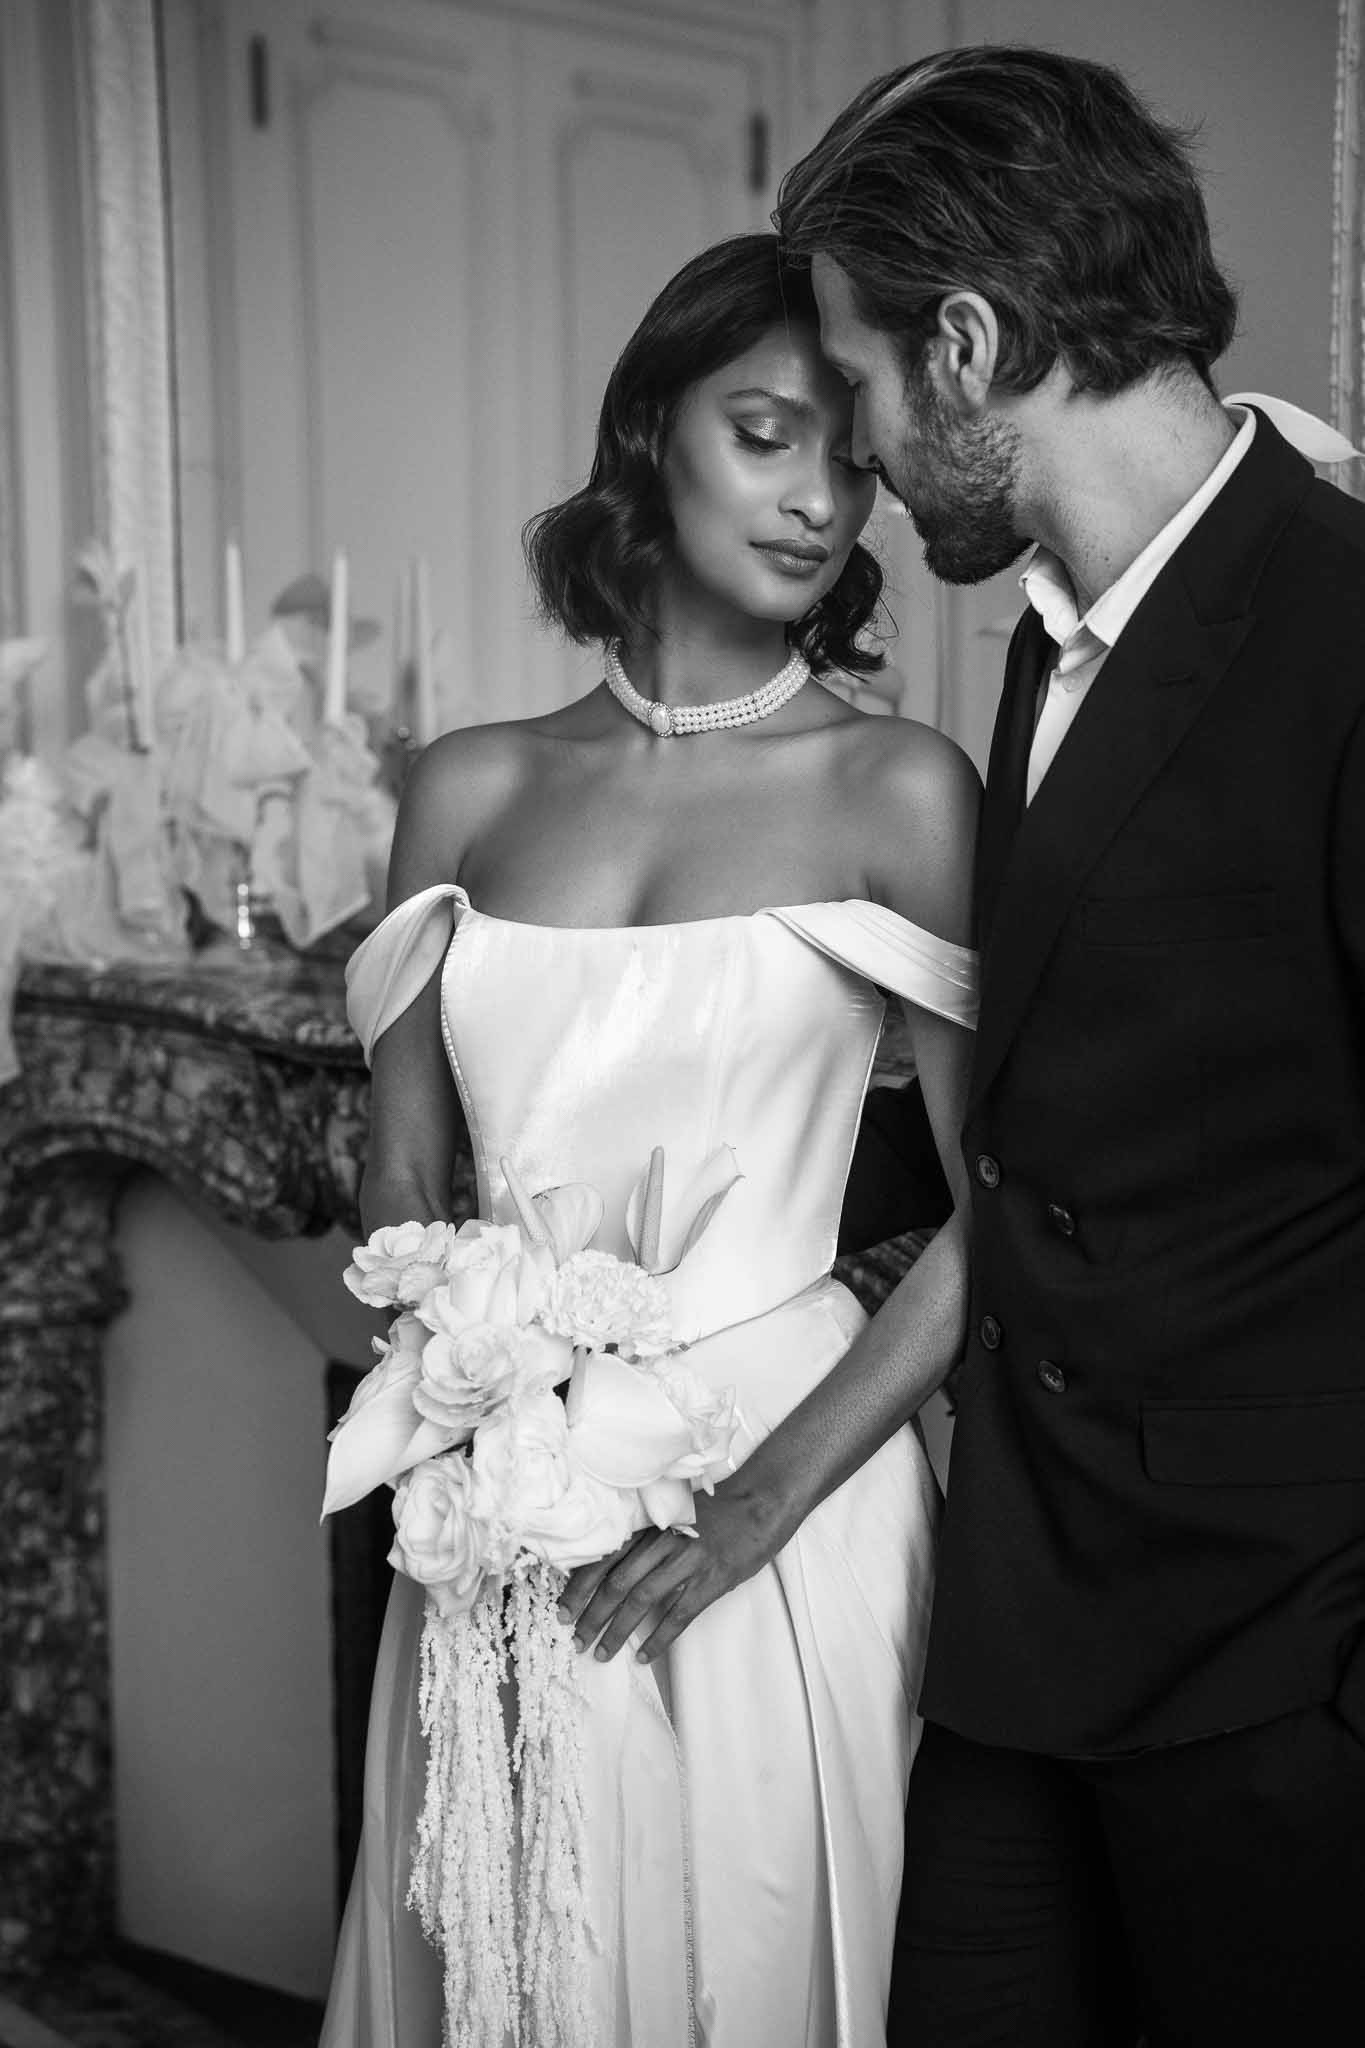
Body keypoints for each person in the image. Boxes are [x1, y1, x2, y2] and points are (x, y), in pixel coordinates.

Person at [320, 231, 980, 2048]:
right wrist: (467, 1384)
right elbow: (399, 1164)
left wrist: (752, 1510)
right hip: (501, 1493)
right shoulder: (468, 785)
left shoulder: (897, 787)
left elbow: (997, 1215)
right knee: (499, 1950)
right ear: (647, 430)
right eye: (767, 433)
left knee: (752, 1956)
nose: (822, 502)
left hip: (785, 1486)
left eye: (856, 459)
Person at [774, 42, 1365, 2046]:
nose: (846, 454)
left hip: (1277, 1672)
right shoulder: (1043, 640)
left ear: (963, 343)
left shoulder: (1343, 625)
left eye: (852, 385)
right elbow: (1062, 1106)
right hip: (1021, 1626)